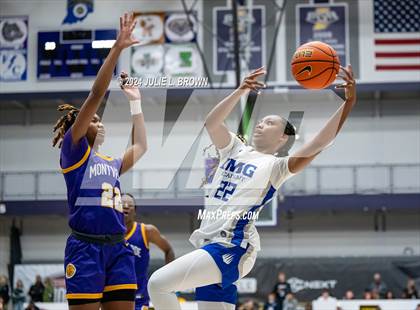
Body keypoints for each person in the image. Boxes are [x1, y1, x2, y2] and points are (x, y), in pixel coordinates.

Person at [147, 64, 357, 310]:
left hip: (231, 247)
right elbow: (212, 122)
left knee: (157, 283)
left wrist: (348, 103)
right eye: (261, 121)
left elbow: (319, 142)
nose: (260, 124)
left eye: (269, 123)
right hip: (210, 245)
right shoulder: (234, 148)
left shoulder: (275, 166)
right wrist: (240, 90)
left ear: (283, 138)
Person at [52, 12, 147, 310]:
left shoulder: (109, 162)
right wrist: (117, 49)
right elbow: (96, 94)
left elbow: (141, 146)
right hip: (85, 248)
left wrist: (135, 101)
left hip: (118, 247)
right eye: (92, 120)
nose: (99, 121)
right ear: (75, 128)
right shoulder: (73, 151)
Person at [122, 193, 175, 310]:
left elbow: (168, 250)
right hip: (115, 294)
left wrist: (169, 280)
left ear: (135, 211)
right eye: (122, 204)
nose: (126, 206)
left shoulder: (146, 231)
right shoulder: (108, 232)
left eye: (130, 205)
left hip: (139, 298)